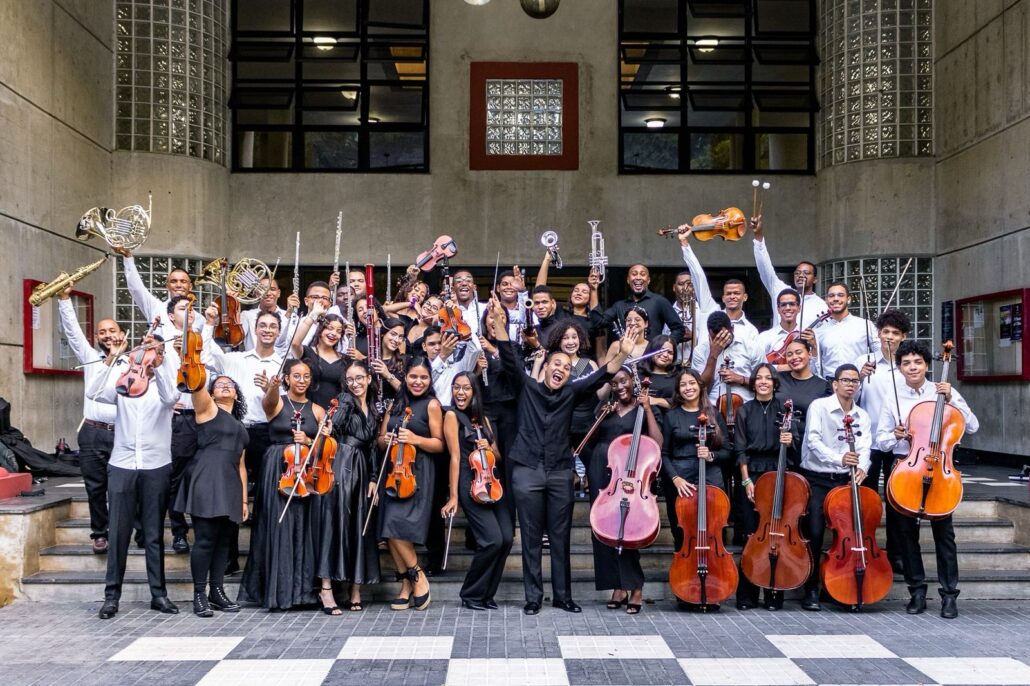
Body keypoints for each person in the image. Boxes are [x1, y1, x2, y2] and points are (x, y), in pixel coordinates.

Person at [489, 297, 634, 615]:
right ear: (547, 366)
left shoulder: (570, 391)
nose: (562, 370)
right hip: (526, 469)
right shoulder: (527, 387)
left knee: (560, 536)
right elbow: (511, 360)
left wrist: (623, 350)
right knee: (529, 535)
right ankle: (533, 597)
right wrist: (499, 322)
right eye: (558, 365)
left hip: (558, 470)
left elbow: (602, 376)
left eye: (567, 369)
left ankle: (563, 596)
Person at [875, 340, 979, 619]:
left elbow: (972, 426)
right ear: (899, 367)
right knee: (906, 536)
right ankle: (917, 591)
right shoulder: (893, 396)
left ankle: (949, 596)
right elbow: (881, 441)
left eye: (917, 362)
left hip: (941, 472)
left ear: (927, 365)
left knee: (945, 537)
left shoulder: (943, 391)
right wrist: (895, 435)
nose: (912, 367)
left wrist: (953, 398)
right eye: (906, 363)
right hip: (907, 471)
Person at [89, 332, 180, 619]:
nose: (146, 354)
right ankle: (111, 596)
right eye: (144, 348)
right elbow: (93, 392)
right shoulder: (124, 381)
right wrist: (113, 358)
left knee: (153, 533)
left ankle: (159, 594)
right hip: (122, 464)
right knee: (118, 532)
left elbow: (171, 396)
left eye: (152, 349)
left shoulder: (163, 382)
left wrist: (161, 364)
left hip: (156, 464)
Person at [238, 360, 325, 611]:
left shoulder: (317, 410)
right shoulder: (277, 402)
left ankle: (301, 593)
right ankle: (277, 593)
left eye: (306, 376)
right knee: (278, 526)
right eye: (296, 375)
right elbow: (268, 403)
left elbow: (323, 447)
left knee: (301, 528)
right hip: (278, 467)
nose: (301, 380)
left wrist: (309, 440)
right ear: (287, 378)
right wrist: (273, 387)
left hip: (304, 473)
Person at [583, 367, 662, 615]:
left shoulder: (642, 409)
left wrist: (648, 408)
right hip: (603, 469)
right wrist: (601, 417)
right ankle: (617, 587)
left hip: (630, 475)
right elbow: (587, 441)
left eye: (624, 381)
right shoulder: (604, 410)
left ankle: (635, 586)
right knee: (603, 528)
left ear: (632, 382)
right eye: (615, 383)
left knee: (627, 530)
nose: (619, 386)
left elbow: (657, 443)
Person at [57, 284, 127, 554]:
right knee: (96, 487)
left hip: (123, 431)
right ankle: (100, 533)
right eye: (102, 332)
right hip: (93, 432)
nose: (108, 335)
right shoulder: (90, 358)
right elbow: (73, 332)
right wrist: (65, 300)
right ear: (96, 337)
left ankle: (127, 529)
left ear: (122, 334)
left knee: (122, 486)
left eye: (112, 331)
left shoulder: (133, 360)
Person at [174, 374, 248, 617]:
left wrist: (244, 498)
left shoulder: (239, 424)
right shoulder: (207, 409)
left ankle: (216, 592)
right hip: (206, 478)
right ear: (212, 393)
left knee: (224, 543)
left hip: (230, 483)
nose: (226, 385)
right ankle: (199, 594)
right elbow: (196, 385)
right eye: (219, 384)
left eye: (231, 384)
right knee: (205, 540)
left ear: (236, 394)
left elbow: (241, 465)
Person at [799, 363, 871, 611]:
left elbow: (865, 447)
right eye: (846, 380)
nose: (851, 384)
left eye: (855, 381)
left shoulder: (862, 415)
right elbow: (813, 441)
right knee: (815, 533)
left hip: (845, 480)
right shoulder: (819, 407)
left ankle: (839, 586)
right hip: (818, 478)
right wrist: (838, 458)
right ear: (835, 384)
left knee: (847, 535)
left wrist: (864, 467)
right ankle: (811, 589)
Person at [376, 357, 445, 611]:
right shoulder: (395, 403)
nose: (418, 382)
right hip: (394, 469)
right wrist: (389, 440)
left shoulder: (432, 405)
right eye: (413, 377)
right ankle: (409, 580)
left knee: (397, 526)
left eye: (423, 377)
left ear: (430, 380)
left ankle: (414, 576)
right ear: (405, 377)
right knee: (388, 525)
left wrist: (415, 438)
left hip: (418, 472)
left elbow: (439, 443)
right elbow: (380, 439)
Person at [313, 361, 382, 613]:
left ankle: (355, 588)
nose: (355, 383)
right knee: (336, 523)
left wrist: (374, 478)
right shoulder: (344, 399)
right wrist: (331, 424)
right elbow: (337, 423)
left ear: (369, 378)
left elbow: (374, 446)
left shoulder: (373, 408)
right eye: (350, 379)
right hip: (342, 462)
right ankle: (326, 589)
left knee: (358, 527)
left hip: (363, 469)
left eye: (359, 378)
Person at [444, 372, 513, 610]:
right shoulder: (451, 416)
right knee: (491, 540)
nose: (460, 393)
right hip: (469, 482)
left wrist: (489, 448)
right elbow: (454, 457)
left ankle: (486, 595)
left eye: (466, 388)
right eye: (456, 388)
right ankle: (471, 593)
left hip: (493, 482)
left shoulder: (483, 419)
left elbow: (498, 456)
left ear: (474, 391)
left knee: (506, 539)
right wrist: (453, 496)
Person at [734, 364, 798, 610]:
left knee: (776, 536)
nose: (763, 382)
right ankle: (747, 595)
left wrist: (790, 439)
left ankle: (774, 591)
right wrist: (746, 480)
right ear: (753, 382)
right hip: (752, 476)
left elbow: (797, 445)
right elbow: (740, 449)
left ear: (774, 382)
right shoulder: (745, 410)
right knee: (752, 536)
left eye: (767, 378)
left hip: (778, 473)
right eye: (758, 378)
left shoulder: (784, 409)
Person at [855, 309, 910, 571]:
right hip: (868, 443)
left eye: (895, 333)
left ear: (903, 337)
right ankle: (863, 548)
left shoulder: (908, 366)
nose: (889, 337)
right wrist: (860, 378)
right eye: (885, 332)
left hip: (899, 444)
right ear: (878, 334)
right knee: (866, 499)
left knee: (897, 501)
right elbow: (849, 400)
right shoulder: (864, 361)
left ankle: (896, 553)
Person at [660, 369, 731, 553]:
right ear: (678, 390)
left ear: (700, 386)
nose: (688, 388)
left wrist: (711, 455)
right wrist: (675, 479)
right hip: (680, 480)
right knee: (682, 531)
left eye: (691, 383)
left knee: (714, 527)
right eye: (683, 384)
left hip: (710, 476)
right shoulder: (672, 416)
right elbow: (664, 453)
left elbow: (727, 452)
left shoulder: (714, 414)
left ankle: (717, 574)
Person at [677, 230, 759, 343]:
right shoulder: (711, 311)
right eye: (728, 294)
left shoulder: (751, 331)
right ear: (723, 298)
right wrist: (684, 242)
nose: (732, 296)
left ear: (745, 297)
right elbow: (699, 277)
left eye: (736, 293)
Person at [750, 216, 828, 330]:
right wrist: (758, 236)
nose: (801, 275)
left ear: (815, 279)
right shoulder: (781, 291)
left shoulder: (821, 306)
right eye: (797, 273)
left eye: (806, 273)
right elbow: (765, 268)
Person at [775, 338, 832, 467]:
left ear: (810, 354)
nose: (794, 357)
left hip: (806, 446)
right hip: (777, 442)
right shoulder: (778, 379)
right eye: (789, 354)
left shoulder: (823, 386)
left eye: (798, 352)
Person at [593, 264, 684, 343]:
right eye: (634, 274)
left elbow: (678, 329)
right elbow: (599, 322)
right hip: (627, 359)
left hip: (651, 358)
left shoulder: (659, 301)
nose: (638, 277)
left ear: (648, 280)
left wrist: (665, 346)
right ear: (628, 280)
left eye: (642, 274)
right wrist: (593, 290)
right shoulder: (619, 306)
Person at [812, 282, 875, 379]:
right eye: (831, 296)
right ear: (826, 300)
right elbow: (816, 363)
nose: (836, 299)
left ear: (848, 299)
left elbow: (880, 352)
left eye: (840, 295)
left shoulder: (865, 325)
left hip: (859, 381)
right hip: (829, 384)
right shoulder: (819, 330)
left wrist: (867, 366)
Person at [290, 300, 346, 410]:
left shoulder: (344, 359)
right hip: (308, 413)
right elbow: (295, 343)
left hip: (335, 416)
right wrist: (313, 315)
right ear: (320, 330)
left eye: (339, 331)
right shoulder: (307, 353)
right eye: (330, 328)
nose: (334, 334)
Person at [756, 288, 806, 373]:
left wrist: (814, 348)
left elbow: (815, 369)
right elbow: (758, 367)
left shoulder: (806, 335)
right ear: (778, 309)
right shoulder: (765, 337)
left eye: (792, 304)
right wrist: (786, 367)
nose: (788, 308)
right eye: (783, 305)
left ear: (799, 308)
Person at [642, 335, 678, 407]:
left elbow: (682, 400)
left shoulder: (678, 375)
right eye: (661, 350)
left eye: (670, 353)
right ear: (652, 350)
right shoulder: (639, 373)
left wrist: (656, 401)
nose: (665, 355)